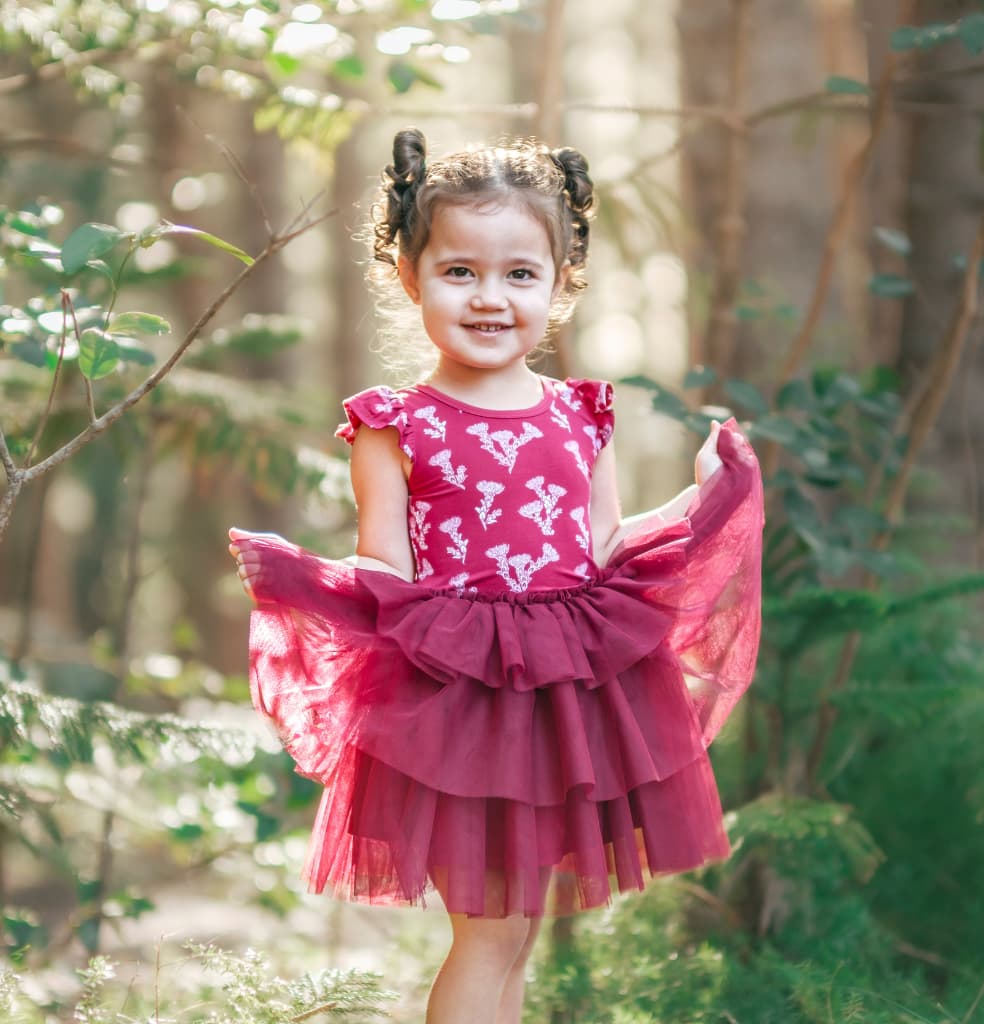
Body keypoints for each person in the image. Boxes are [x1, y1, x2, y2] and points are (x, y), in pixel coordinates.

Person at [228, 128, 763, 1024]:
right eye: (460, 272)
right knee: (487, 933)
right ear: (411, 277)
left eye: (520, 273)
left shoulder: (578, 415)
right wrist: (304, 579)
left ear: (560, 286)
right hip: (461, 708)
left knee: (515, 932)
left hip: (560, 705)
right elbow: (384, 572)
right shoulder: (393, 424)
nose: (491, 297)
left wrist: (699, 503)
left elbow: (599, 550)